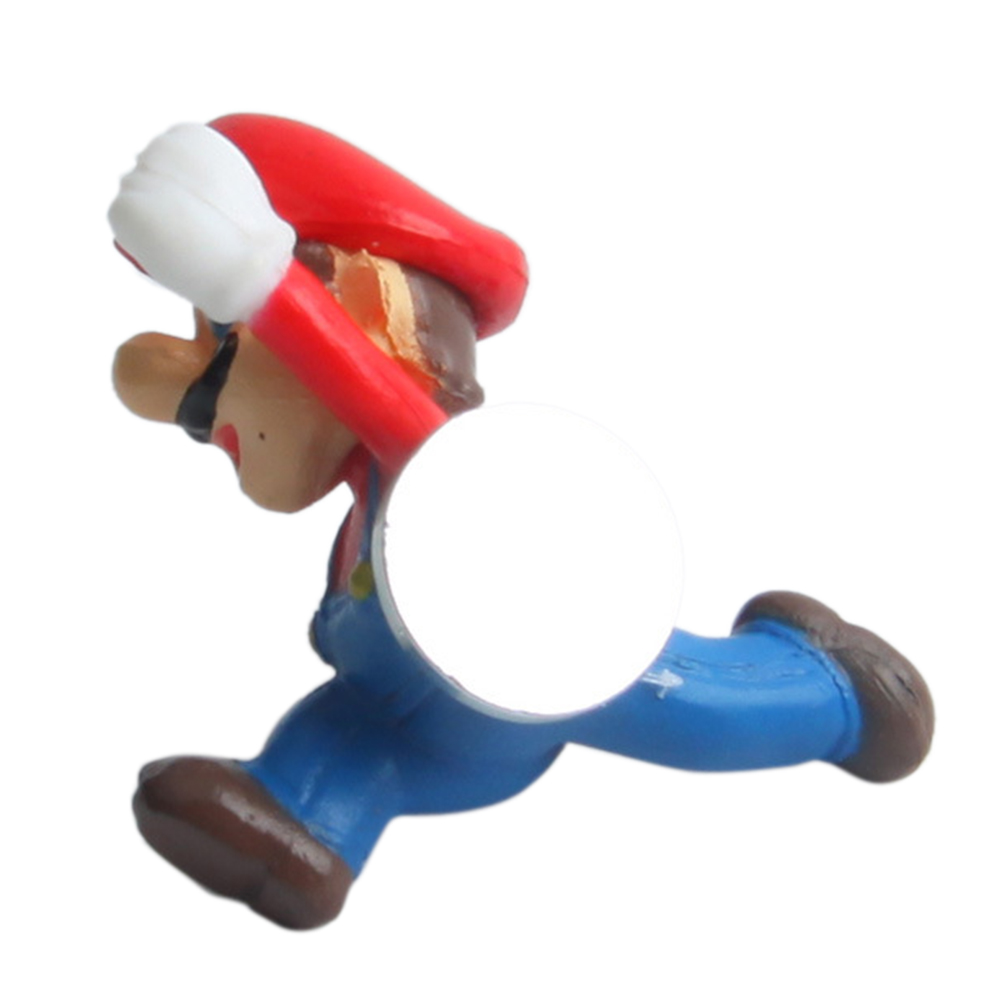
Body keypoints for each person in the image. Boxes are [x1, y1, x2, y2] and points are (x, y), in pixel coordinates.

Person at [110, 114, 934, 930]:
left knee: (696, 706)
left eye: (222, 345)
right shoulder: (377, 492)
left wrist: (257, 280)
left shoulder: (443, 473)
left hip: (537, 675)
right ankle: (302, 826)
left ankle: (831, 691)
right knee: (347, 746)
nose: (187, 406)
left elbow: (361, 387)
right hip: (409, 724)